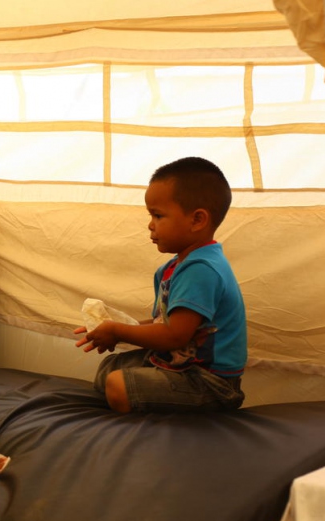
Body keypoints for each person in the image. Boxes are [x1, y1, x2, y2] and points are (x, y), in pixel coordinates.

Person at [74, 156, 247, 414]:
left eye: (158, 215)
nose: (150, 224)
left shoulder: (202, 269)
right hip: (179, 363)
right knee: (110, 368)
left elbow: (175, 335)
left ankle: (157, 431)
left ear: (197, 220)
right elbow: (164, 325)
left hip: (210, 383)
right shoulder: (172, 268)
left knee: (118, 384)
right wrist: (113, 327)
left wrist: (119, 332)